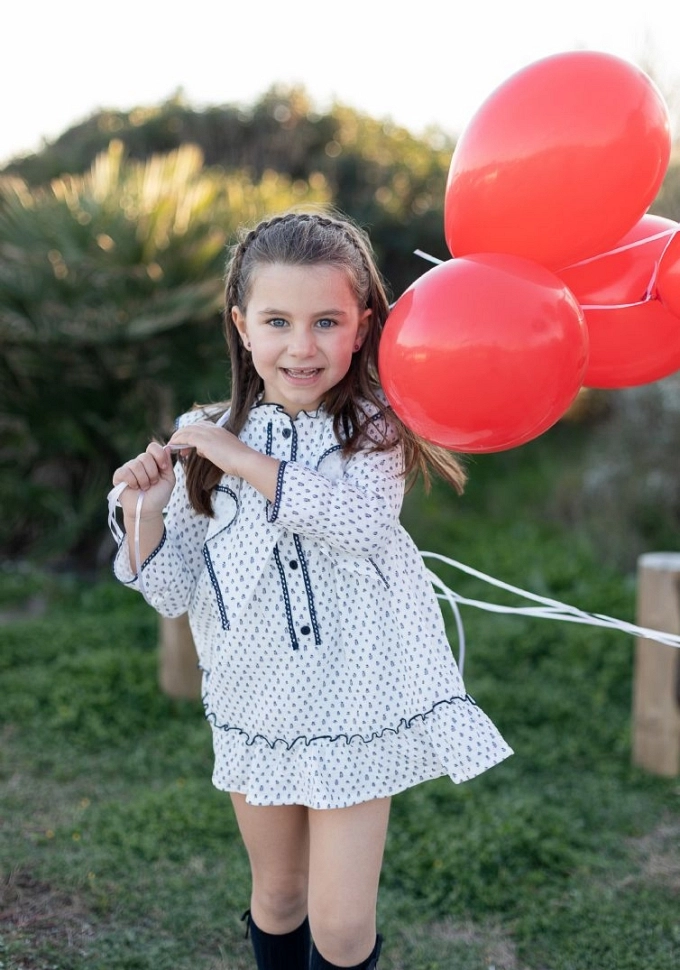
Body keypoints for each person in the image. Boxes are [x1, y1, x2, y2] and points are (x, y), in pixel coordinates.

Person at [109, 210, 512, 970]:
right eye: (278, 321)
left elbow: (357, 523)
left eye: (326, 321)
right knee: (279, 897)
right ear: (242, 326)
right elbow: (170, 591)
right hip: (255, 704)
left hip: (357, 704)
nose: (302, 346)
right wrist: (148, 512)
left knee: (341, 927)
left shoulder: (376, 428)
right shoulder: (202, 436)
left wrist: (240, 459)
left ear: (362, 327)